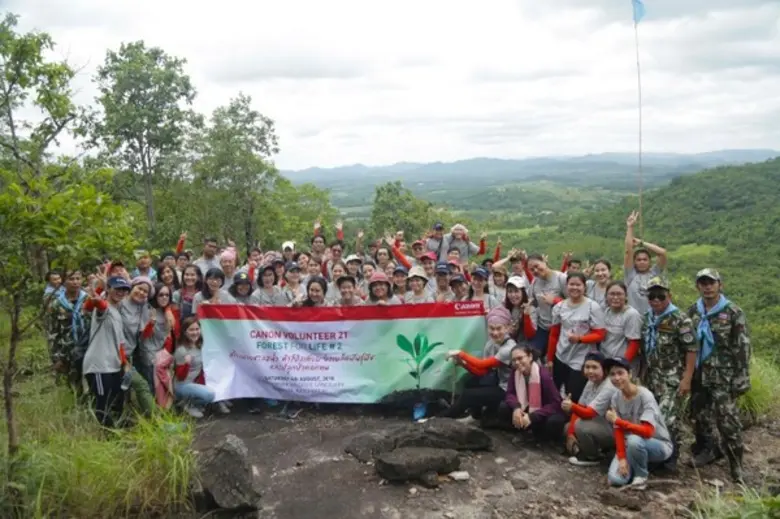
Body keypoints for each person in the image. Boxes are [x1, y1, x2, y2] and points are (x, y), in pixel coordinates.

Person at [687, 269, 751, 482]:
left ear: (719, 285)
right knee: (700, 416)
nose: (707, 287)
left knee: (728, 421)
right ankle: (709, 450)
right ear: (698, 286)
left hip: (723, 376)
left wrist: (742, 376)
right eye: (703, 283)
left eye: (711, 283)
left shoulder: (732, 312)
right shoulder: (693, 311)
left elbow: (742, 346)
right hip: (699, 374)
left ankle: (736, 465)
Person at [640, 276, 697, 470]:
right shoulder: (647, 317)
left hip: (672, 376)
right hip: (652, 376)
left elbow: (691, 349)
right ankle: (655, 456)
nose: (656, 300)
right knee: (651, 414)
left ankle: (671, 455)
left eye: (660, 296)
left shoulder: (680, 319)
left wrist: (687, 378)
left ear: (669, 296)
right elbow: (644, 347)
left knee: (667, 418)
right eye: (652, 296)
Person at [604, 357, 674, 488]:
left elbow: (647, 431)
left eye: (620, 373)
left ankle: (641, 476)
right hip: (630, 445)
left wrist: (618, 421)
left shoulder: (645, 396)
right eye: (612, 374)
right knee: (615, 479)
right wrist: (622, 458)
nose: (617, 378)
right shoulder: (616, 397)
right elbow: (618, 429)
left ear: (630, 374)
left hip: (658, 444)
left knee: (634, 440)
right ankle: (634, 466)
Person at [442, 307, 516, 424]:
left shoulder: (509, 348)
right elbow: (482, 372)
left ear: (507, 328)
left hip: (509, 390)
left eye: (499, 328)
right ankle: (475, 416)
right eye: (491, 328)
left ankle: (441, 418)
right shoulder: (490, 344)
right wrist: (463, 364)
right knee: (471, 382)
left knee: (468, 395)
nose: (495, 333)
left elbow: (481, 364)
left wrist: (460, 353)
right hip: (499, 382)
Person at [546, 272, 606, 403]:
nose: (574, 287)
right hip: (561, 355)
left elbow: (600, 334)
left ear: (584, 287)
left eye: (578, 285)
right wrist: (550, 358)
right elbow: (554, 334)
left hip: (581, 358)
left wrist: (580, 339)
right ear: (566, 286)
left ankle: (572, 415)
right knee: (555, 392)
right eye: (571, 284)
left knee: (573, 394)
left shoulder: (592, 307)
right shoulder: (559, 307)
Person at [82, 276, 131, 427]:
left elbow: (120, 343)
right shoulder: (104, 309)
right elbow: (100, 306)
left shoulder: (117, 312)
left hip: (113, 365)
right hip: (99, 365)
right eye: (117, 288)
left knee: (117, 402)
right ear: (108, 289)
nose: (121, 292)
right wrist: (96, 297)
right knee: (102, 404)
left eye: (124, 290)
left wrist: (125, 363)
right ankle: (107, 434)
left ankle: (117, 431)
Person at [563, 351, 618, 466]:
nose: (590, 371)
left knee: (580, 425)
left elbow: (589, 413)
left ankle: (592, 456)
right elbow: (581, 406)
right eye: (587, 367)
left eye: (594, 367)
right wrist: (570, 434)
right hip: (599, 424)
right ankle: (592, 449)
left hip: (616, 429)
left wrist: (572, 406)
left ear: (604, 369)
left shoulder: (609, 386)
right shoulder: (591, 381)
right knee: (568, 427)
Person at [505, 345, 566, 441]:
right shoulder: (515, 372)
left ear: (530, 357)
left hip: (543, 410)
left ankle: (542, 438)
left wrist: (533, 416)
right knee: (504, 407)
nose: (517, 362)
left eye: (520, 358)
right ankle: (523, 430)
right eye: (514, 360)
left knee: (554, 422)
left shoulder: (543, 375)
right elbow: (510, 393)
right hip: (526, 406)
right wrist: (516, 408)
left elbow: (556, 403)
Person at [45, 270, 90, 397]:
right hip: (67, 350)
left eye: (78, 278)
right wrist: (56, 358)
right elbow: (52, 332)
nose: (75, 282)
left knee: (91, 382)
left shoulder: (89, 300)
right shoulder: (56, 304)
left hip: (88, 347)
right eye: (71, 279)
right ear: (64, 281)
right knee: (74, 385)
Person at [623, 211, 667, 315]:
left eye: (645, 259)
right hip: (634, 319)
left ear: (650, 262)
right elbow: (628, 250)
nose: (642, 262)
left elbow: (663, 253)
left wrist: (641, 243)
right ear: (634, 262)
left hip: (653, 318)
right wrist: (630, 227)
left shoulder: (655, 273)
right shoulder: (630, 274)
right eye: (638, 260)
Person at [174, 317, 216, 418]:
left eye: (197, 329)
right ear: (185, 332)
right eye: (191, 330)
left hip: (194, 383)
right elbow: (180, 377)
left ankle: (191, 402)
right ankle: (188, 404)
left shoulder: (199, 345)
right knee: (210, 395)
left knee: (217, 392)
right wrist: (186, 364)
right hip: (182, 385)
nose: (195, 332)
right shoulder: (181, 350)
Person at [526, 253, 568, 357]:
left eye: (537, 266)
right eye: (532, 269)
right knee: (531, 354)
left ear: (544, 261)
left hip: (561, 328)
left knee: (555, 358)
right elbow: (533, 303)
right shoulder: (535, 283)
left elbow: (574, 303)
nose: (535, 270)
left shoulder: (561, 278)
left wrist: (556, 300)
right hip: (543, 327)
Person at [601, 281, 642, 364]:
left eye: (619, 294)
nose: (615, 297)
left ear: (626, 296)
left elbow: (634, 343)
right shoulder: (606, 312)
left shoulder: (631, 314)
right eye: (612, 294)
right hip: (605, 360)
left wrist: (623, 364)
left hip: (622, 363)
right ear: (606, 296)